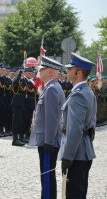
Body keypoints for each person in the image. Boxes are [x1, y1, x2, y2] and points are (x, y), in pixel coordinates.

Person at [58, 53, 96, 199]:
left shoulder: (78, 95)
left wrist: (67, 157)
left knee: (73, 194)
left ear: (78, 73)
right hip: (83, 152)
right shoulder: (87, 91)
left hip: (76, 155)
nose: (67, 72)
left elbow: (74, 131)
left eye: (70, 69)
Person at [29, 56, 65, 199]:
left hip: (47, 142)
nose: (39, 73)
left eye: (41, 70)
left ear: (49, 72)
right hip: (47, 140)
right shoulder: (51, 87)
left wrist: (49, 141)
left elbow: (52, 118)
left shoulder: (51, 89)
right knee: (47, 176)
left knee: (46, 176)